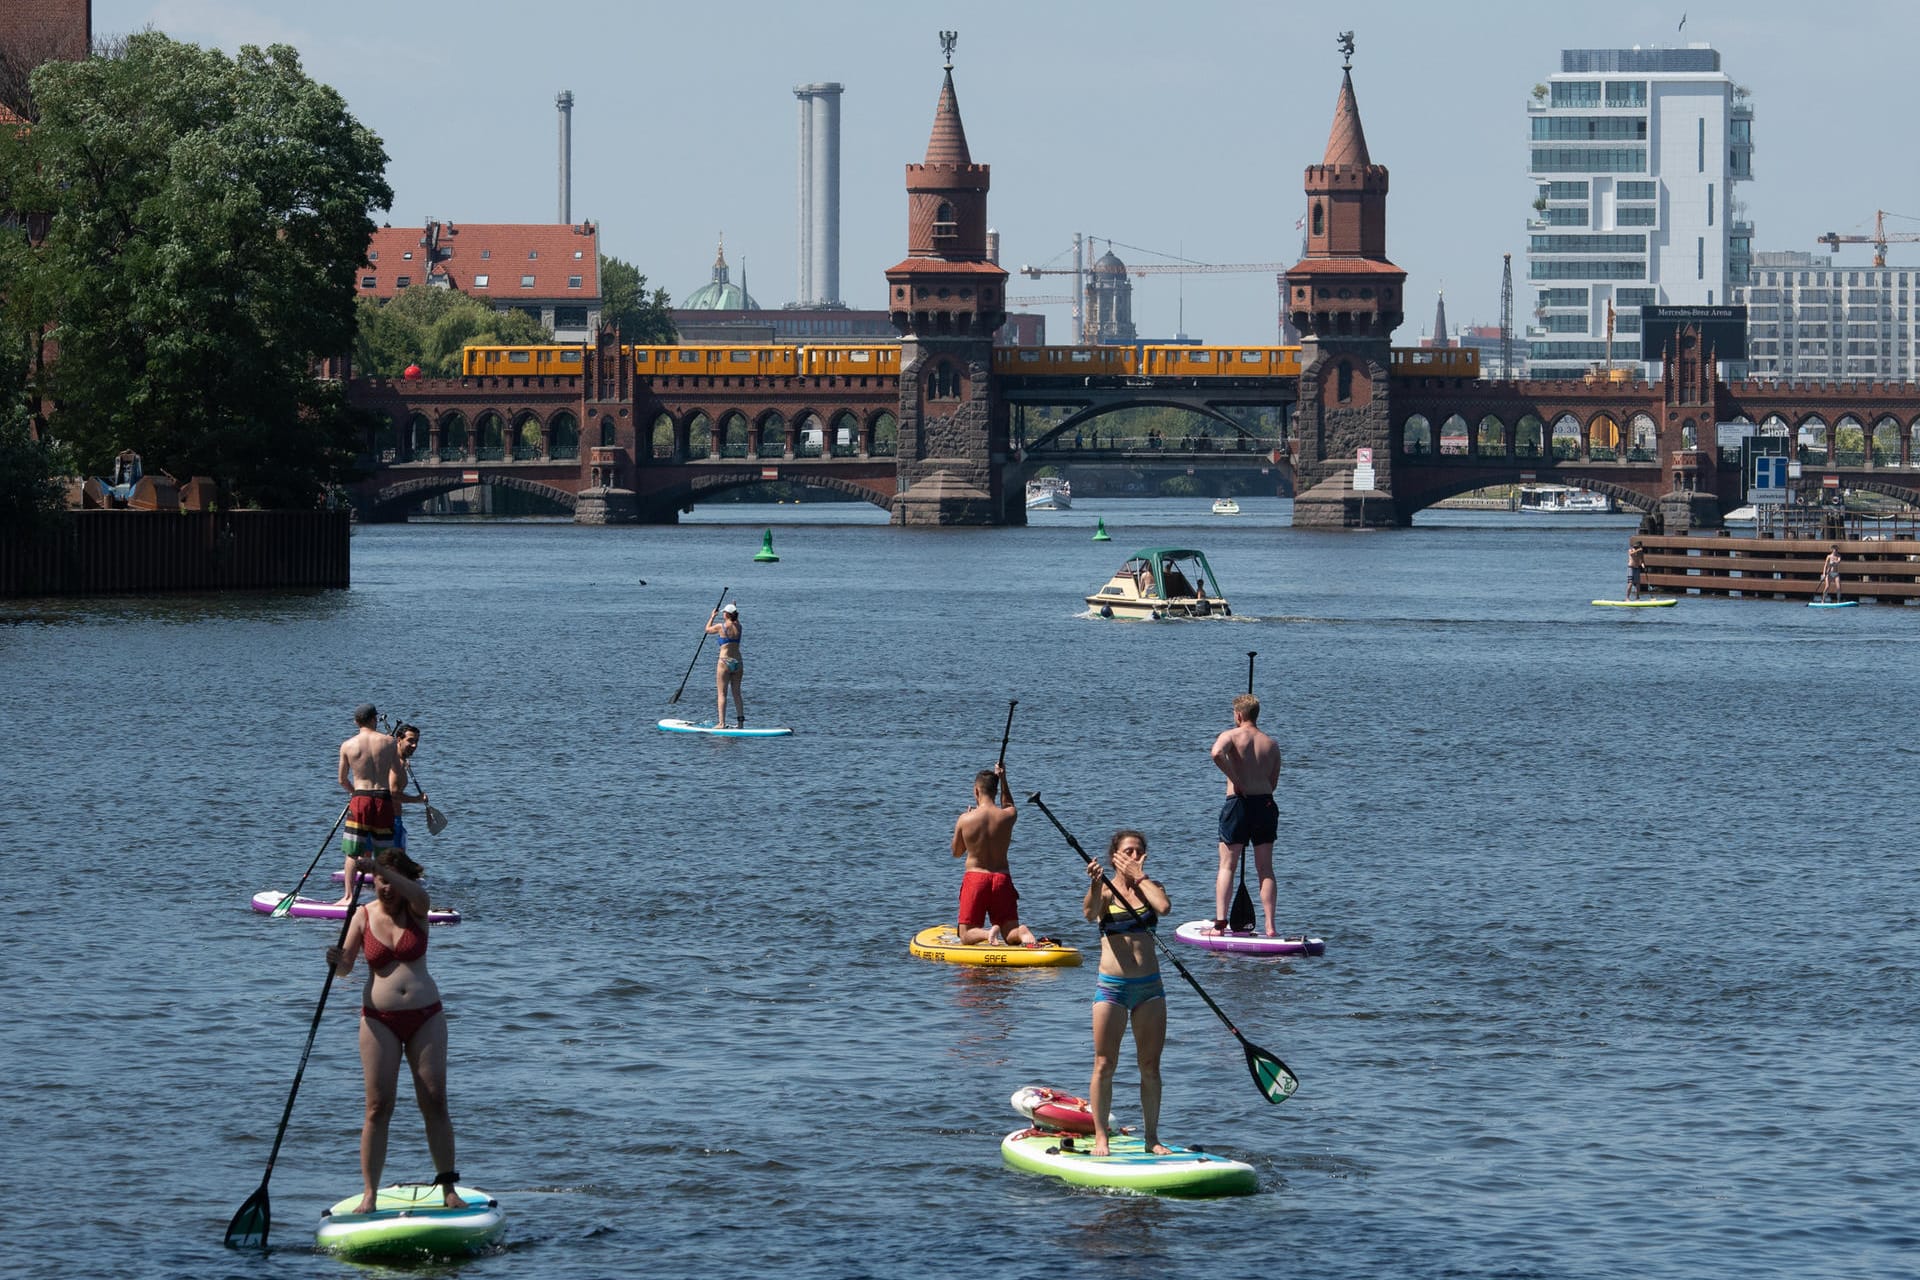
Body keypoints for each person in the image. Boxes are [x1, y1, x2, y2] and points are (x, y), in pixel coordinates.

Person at [326, 848, 462, 1212]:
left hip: (426, 1017)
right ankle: (370, 1194)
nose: (385, 889)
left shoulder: (417, 906)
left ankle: (448, 1188)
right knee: (377, 1106)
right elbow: (345, 968)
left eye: (391, 882)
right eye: (380, 882)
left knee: (434, 1100)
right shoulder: (360, 916)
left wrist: (384, 871)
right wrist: (337, 962)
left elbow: (418, 894)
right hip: (378, 1020)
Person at [1083, 829, 1172, 1158]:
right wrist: (1095, 883)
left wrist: (1140, 877)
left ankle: (1152, 1137)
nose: (1134, 857)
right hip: (1112, 989)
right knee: (1104, 1064)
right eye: (1127, 852)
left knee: (1150, 1065)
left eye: (1138, 852)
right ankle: (1101, 1137)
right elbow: (1089, 913)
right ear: (1114, 857)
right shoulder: (1106, 891)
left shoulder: (1153, 887)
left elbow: (1163, 908)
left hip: (1150, 989)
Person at [1209, 693, 1282, 937]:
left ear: (1238, 715)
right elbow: (1272, 784)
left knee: (1227, 866)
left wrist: (1236, 778)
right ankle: (1270, 926)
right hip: (1265, 805)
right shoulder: (1271, 744)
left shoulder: (1230, 735)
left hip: (1238, 804)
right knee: (1265, 869)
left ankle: (1220, 924)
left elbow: (1216, 753)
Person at [951, 762, 1035, 946]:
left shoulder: (966, 819)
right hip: (1002, 879)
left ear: (976, 791)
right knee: (1010, 933)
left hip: (976, 878)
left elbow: (956, 852)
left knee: (965, 935)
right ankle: (1021, 932)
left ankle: (987, 933)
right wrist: (1003, 778)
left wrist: (967, 826)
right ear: (996, 793)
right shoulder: (1007, 816)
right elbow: (1009, 804)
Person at [335, 704, 400, 907]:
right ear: (375, 719)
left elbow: (342, 780)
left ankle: (348, 897)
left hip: (360, 798)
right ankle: (385, 898)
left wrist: (355, 794)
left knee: (352, 852)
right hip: (383, 798)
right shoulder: (390, 742)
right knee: (385, 853)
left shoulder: (347, 745)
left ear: (356, 722)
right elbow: (397, 773)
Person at [705, 602, 746, 728]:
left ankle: (721, 723)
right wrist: (734, 606)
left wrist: (712, 616)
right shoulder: (739, 626)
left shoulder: (720, 627)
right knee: (737, 693)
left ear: (727, 614)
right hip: (738, 662)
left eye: (724, 613)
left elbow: (707, 630)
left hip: (724, 662)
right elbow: (735, 620)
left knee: (722, 694)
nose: (722, 614)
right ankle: (740, 724)